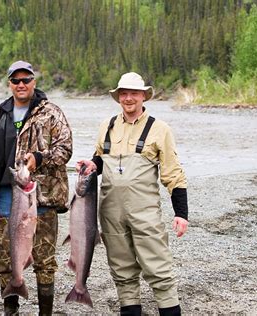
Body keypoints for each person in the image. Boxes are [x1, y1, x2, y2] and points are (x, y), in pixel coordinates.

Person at [0, 61, 72, 315]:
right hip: (4, 198)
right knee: (5, 259)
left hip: (42, 198)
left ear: (34, 82)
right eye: (16, 81)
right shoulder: (0, 114)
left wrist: (40, 158)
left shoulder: (51, 112)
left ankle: (44, 312)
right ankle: (10, 307)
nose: (21, 85)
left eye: (26, 80)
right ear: (9, 84)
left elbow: (65, 149)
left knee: (44, 261)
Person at [77, 72, 188, 316]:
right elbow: (100, 158)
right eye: (124, 94)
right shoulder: (106, 126)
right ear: (118, 97)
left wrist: (181, 213)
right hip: (110, 213)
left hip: (145, 213)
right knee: (122, 272)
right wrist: (92, 165)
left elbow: (173, 174)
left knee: (159, 270)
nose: (128, 98)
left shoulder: (160, 129)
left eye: (133, 94)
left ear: (143, 96)